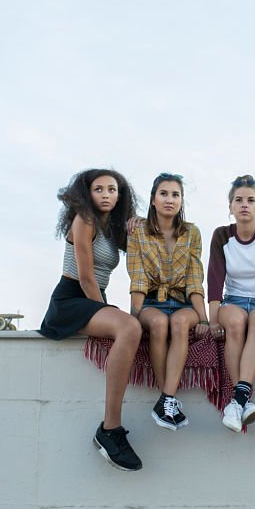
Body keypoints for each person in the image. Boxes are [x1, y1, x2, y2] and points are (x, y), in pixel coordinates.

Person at [37, 169, 146, 471]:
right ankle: (110, 430)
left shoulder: (110, 227)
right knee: (129, 326)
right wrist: (108, 313)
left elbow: (144, 248)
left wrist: (138, 224)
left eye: (113, 190)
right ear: (87, 194)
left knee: (133, 326)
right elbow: (86, 277)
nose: (106, 195)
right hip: (72, 299)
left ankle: (111, 429)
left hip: (93, 298)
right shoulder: (83, 220)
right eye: (99, 189)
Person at [127, 173, 209, 431]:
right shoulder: (138, 231)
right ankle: (168, 400)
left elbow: (195, 277)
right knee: (160, 324)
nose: (169, 199)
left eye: (175, 195)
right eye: (164, 194)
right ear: (153, 200)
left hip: (184, 302)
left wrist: (204, 318)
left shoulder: (191, 232)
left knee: (180, 322)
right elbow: (138, 276)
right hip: (152, 301)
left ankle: (166, 399)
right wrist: (134, 315)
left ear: (181, 201)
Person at [207, 175, 255, 433]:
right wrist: (212, 319)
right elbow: (215, 278)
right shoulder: (221, 235)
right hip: (234, 300)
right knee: (236, 322)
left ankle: (236, 401)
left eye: (250, 200)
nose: (244, 204)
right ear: (230, 207)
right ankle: (243, 400)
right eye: (238, 200)